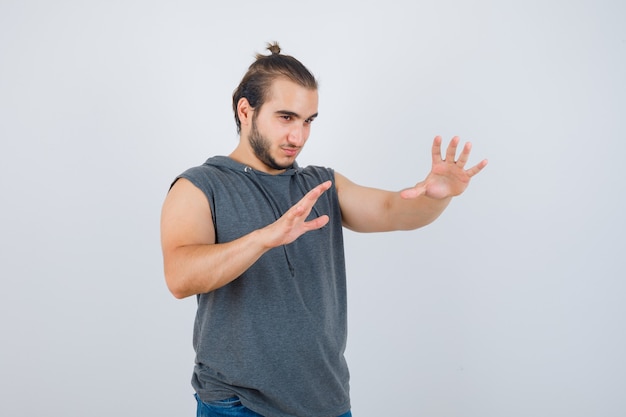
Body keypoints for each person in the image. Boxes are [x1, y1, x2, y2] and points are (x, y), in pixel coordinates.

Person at [160, 42, 487, 417]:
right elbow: (179, 277)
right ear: (245, 110)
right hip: (238, 404)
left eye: (308, 120)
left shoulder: (320, 183)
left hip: (326, 402)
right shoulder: (200, 186)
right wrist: (264, 239)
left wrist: (437, 196)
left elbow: (392, 210)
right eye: (286, 117)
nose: (298, 137)